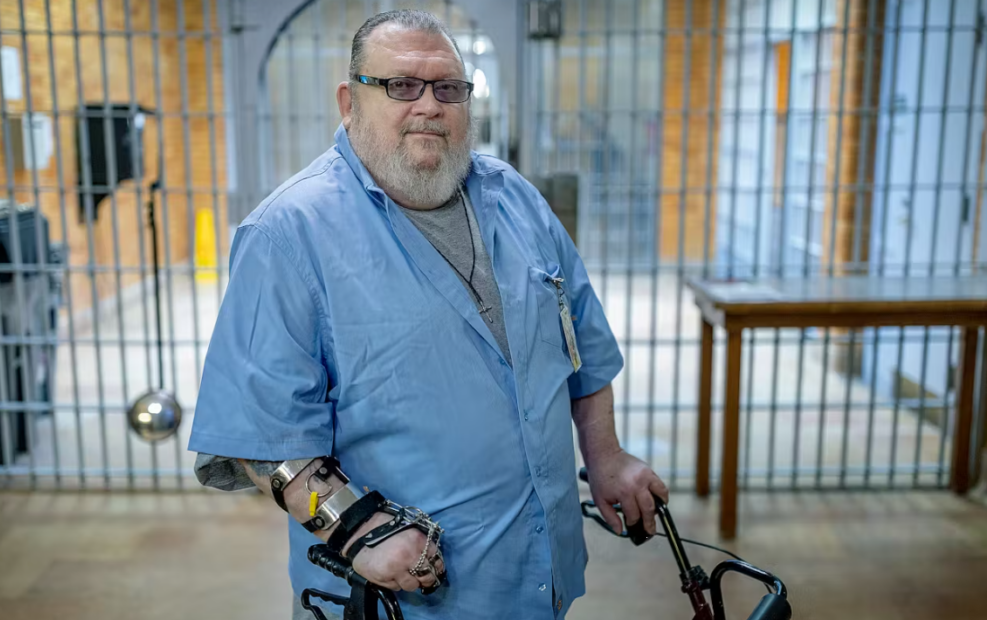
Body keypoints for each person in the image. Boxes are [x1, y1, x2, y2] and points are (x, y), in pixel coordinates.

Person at [188, 9, 668, 620]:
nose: (429, 106)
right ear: (348, 100)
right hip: (402, 599)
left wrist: (606, 456)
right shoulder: (288, 234)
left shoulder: (516, 199)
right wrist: (353, 528)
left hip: (536, 580)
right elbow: (263, 436)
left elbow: (582, 348)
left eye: (448, 88)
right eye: (400, 86)